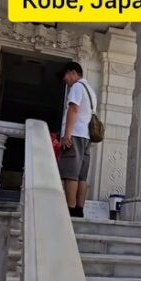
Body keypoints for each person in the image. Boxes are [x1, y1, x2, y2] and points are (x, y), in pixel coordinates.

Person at [57, 61, 96, 217]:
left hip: (75, 134)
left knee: (70, 173)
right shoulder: (90, 91)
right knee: (81, 176)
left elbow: (73, 109)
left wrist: (67, 134)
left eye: (65, 75)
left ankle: (70, 209)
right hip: (86, 136)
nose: (65, 79)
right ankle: (79, 209)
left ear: (73, 73)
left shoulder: (77, 87)